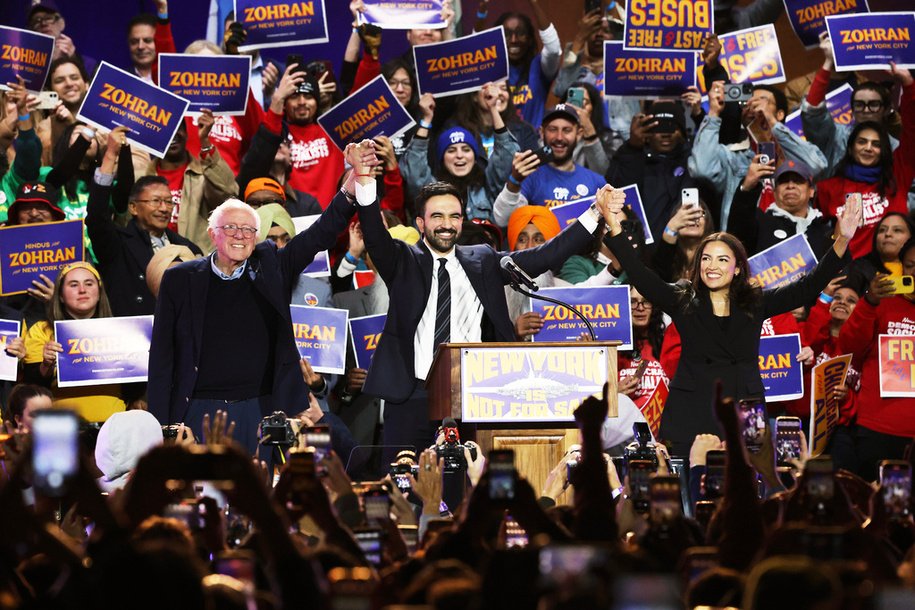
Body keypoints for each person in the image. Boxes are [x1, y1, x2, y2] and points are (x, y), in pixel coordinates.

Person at [354, 180, 609, 463]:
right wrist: (364, 180)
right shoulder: (403, 259)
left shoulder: (483, 260)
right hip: (411, 395)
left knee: (467, 482)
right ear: (420, 223)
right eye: (437, 216)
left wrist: (595, 212)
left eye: (454, 216)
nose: (446, 224)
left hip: (471, 396)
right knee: (405, 480)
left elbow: (545, 256)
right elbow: (375, 237)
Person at [147, 142, 378, 453]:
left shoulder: (273, 267)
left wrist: (350, 187)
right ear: (213, 234)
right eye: (231, 228)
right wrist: (161, 425)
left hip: (261, 409)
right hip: (198, 409)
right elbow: (162, 358)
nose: (240, 235)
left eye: (248, 230)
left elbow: (320, 233)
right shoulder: (180, 279)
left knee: (261, 482)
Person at [600, 183, 861, 456]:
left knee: (744, 480)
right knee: (689, 479)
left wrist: (842, 240)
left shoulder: (755, 302)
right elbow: (641, 275)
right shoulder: (683, 299)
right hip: (691, 411)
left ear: (737, 269)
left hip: (744, 409)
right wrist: (613, 225)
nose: (712, 266)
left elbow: (807, 287)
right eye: (706, 259)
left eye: (723, 260)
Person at [86, 128, 204, 317]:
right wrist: (110, 155)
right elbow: (96, 216)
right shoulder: (117, 244)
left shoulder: (187, 247)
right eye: (156, 201)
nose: (164, 208)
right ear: (133, 208)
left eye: (168, 202)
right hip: (130, 331)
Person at [815, 64, 915, 260]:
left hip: (891, 269)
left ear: (884, 150)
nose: (868, 148)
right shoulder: (828, 188)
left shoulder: (897, 177)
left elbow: (912, 130)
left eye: (876, 144)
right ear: (850, 147)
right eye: (862, 142)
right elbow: (817, 235)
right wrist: (826, 65)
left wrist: (908, 83)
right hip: (845, 272)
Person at [837, 238, 915, 481]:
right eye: (911, 265)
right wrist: (869, 302)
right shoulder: (880, 301)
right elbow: (849, 347)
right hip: (876, 428)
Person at [22, 262, 131, 423]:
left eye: (89, 283)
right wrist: (46, 365)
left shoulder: (123, 331)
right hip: (61, 425)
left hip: (113, 424)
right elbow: (30, 387)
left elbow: (134, 387)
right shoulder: (42, 330)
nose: (82, 290)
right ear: (60, 295)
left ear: (99, 292)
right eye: (74, 285)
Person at [401, 87, 518, 222]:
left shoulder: (488, 186)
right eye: (451, 150)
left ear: (475, 157)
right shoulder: (431, 189)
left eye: (466, 149)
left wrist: (493, 109)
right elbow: (414, 167)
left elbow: (506, 152)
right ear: (442, 158)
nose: (459, 155)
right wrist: (426, 119)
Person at [492, 104, 606, 226]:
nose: (559, 137)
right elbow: (503, 220)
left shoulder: (596, 182)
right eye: (553, 129)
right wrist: (514, 181)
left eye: (567, 130)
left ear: (579, 134)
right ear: (542, 132)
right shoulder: (529, 176)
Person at [143, 109, 238, 253]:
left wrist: (205, 142)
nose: (174, 134)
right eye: (167, 130)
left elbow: (229, 195)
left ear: (186, 133)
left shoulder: (205, 176)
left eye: (178, 128)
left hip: (196, 260)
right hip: (152, 260)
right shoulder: (142, 178)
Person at [606, 101, 698, 240]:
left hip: (684, 244)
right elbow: (619, 191)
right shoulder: (632, 158)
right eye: (659, 128)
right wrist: (633, 147)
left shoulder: (694, 162)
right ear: (647, 132)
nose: (665, 134)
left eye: (672, 127)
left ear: (683, 132)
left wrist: (700, 116)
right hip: (644, 244)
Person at [727, 159, 834, 257]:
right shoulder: (759, 222)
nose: (790, 186)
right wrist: (747, 188)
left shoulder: (826, 233)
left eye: (798, 181)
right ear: (774, 191)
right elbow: (736, 238)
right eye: (783, 181)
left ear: (811, 191)